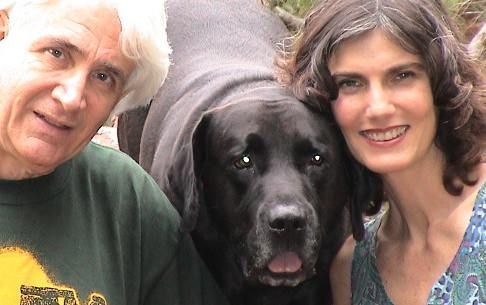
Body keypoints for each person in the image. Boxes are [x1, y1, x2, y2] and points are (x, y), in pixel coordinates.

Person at [0, 0, 229, 304]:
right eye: (57, 53)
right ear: (3, 32)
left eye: (104, 77)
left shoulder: (126, 201)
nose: (72, 97)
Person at [279, 0, 486, 304]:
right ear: (322, 103)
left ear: (441, 83)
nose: (378, 108)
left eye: (402, 76)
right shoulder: (350, 271)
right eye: (350, 83)